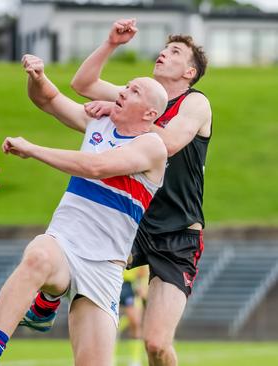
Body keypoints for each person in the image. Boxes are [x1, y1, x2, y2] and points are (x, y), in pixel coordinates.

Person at [0, 72, 168, 366]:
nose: (123, 91)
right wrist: (36, 75)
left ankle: (42, 307)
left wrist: (34, 149)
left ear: (150, 113)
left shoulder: (153, 146)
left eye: (134, 91)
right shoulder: (98, 122)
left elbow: (97, 166)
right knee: (38, 255)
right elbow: (47, 99)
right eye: (126, 86)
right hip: (64, 243)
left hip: (104, 266)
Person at [69, 19, 212, 366]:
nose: (163, 53)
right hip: (132, 222)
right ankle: (39, 303)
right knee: (73, 261)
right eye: (164, 49)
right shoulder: (139, 97)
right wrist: (111, 44)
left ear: (189, 72)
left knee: (156, 345)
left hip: (177, 233)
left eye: (175, 52)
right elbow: (82, 84)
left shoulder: (195, 104)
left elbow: (170, 143)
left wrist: (123, 112)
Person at [118, 266, 148, 366]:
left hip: (131, 285)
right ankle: (107, 356)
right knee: (109, 323)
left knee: (135, 322)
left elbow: (143, 271)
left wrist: (142, 285)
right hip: (115, 280)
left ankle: (135, 360)